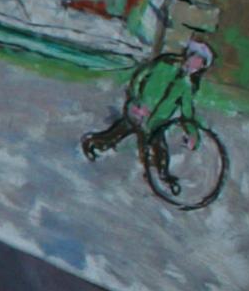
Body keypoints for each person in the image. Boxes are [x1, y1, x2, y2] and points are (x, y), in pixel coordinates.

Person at [81, 41, 213, 196]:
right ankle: (92, 142)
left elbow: (187, 113)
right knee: (116, 134)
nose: (196, 65)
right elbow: (138, 79)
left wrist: (193, 135)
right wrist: (136, 102)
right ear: (188, 56)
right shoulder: (164, 65)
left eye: (201, 64)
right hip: (138, 112)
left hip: (156, 124)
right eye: (196, 60)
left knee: (159, 149)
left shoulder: (186, 86)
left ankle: (162, 177)